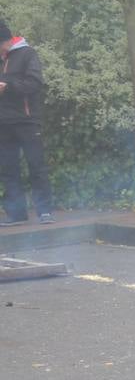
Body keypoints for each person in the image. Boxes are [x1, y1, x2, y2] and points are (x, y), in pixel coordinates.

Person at [0, 19, 54, 226]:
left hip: (27, 120)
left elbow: (34, 83)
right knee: (8, 169)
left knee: (36, 165)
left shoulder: (27, 54)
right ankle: (17, 214)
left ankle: (45, 211)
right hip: (3, 123)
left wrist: (8, 86)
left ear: (4, 42)